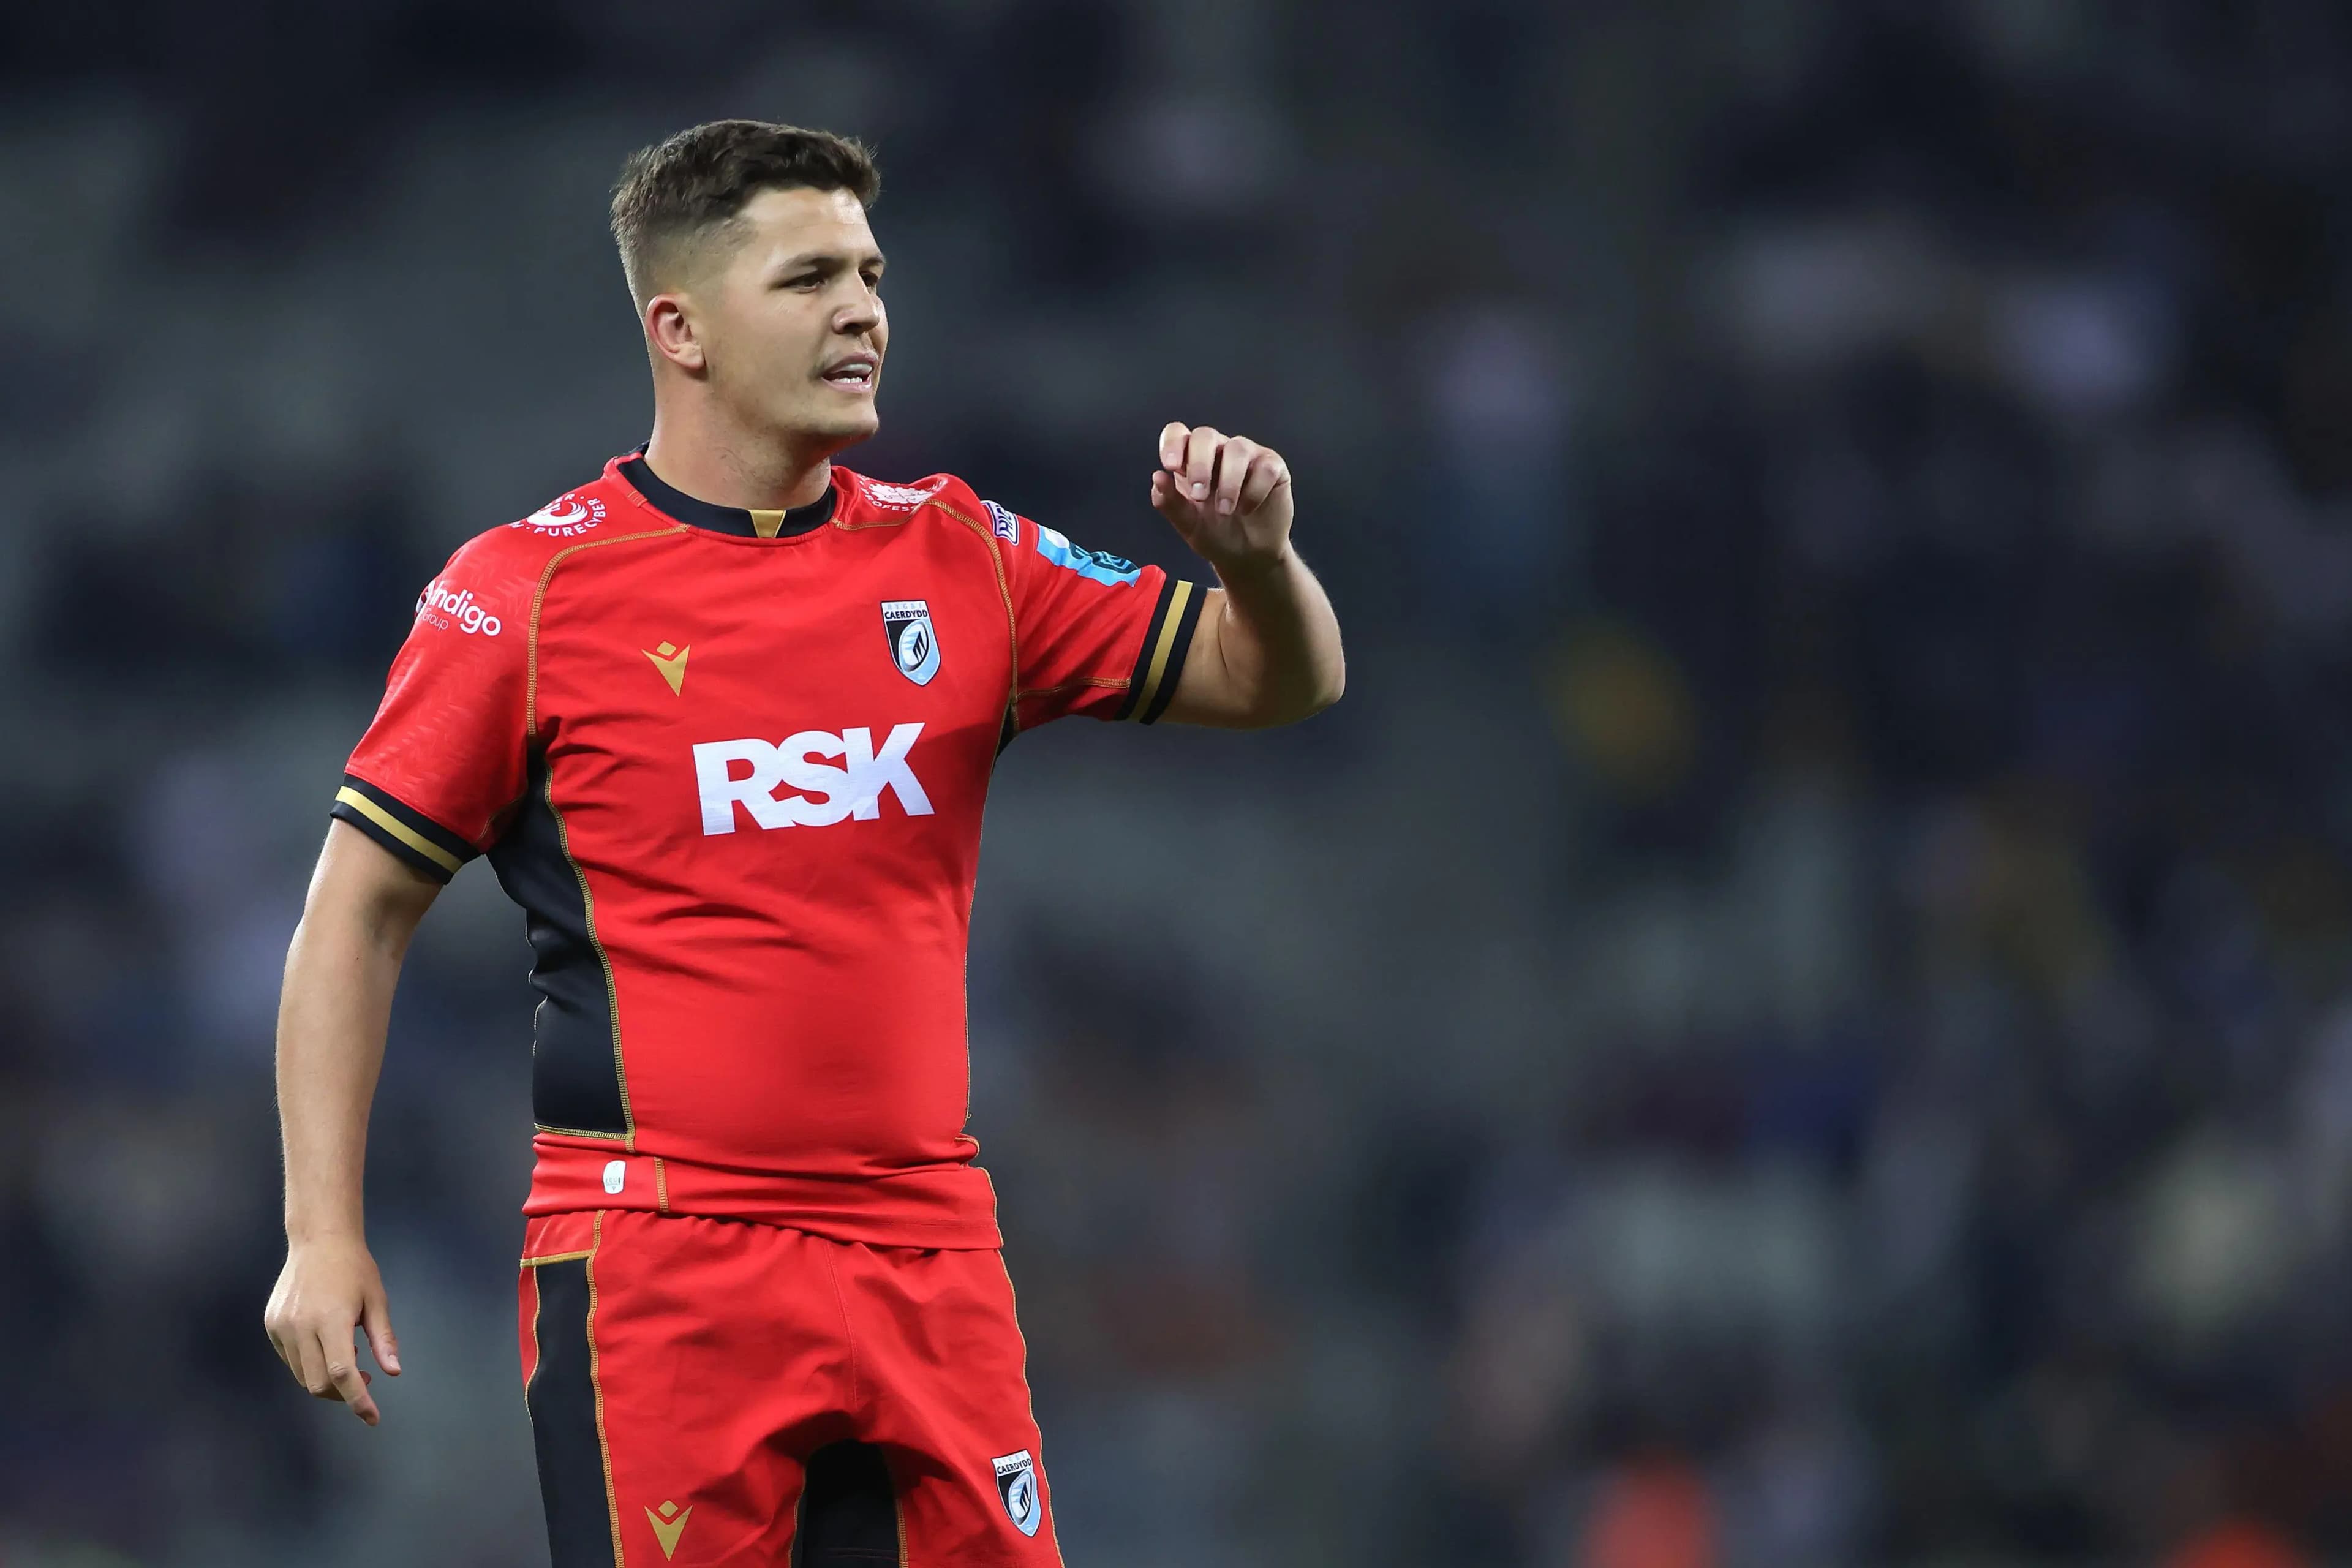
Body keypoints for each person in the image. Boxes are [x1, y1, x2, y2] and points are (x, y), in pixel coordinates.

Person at [260, 119, 1343, 1565]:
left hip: (932, 1254)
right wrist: (320, 1230)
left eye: (874, 273)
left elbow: (1283, 679)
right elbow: (358, 909)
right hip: (663, 1258)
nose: (863, 309)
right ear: (681, 327)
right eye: (811, 276)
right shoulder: (523, 593)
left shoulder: (963, 554)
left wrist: (1258, 562)